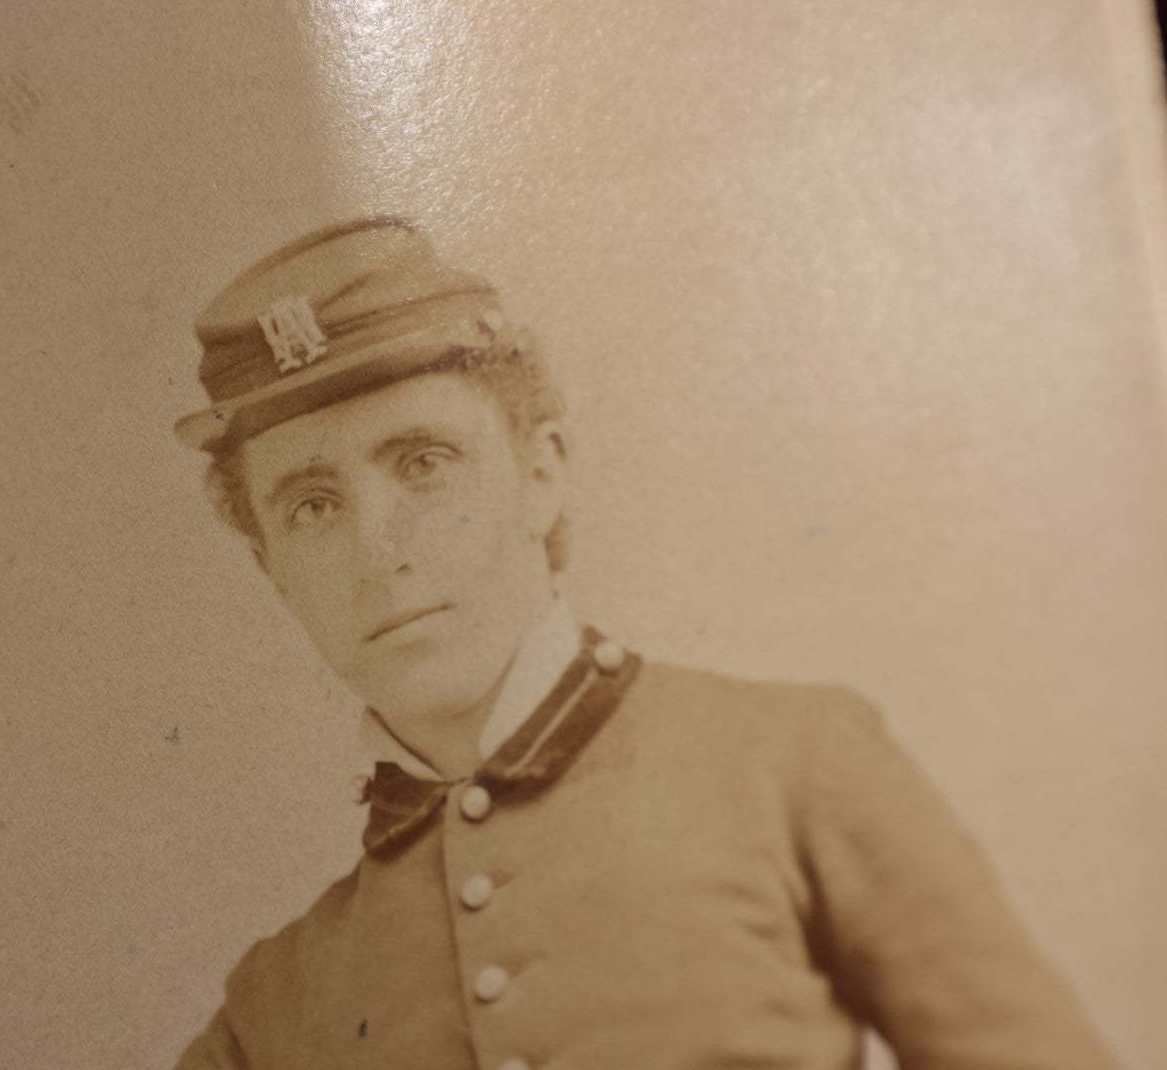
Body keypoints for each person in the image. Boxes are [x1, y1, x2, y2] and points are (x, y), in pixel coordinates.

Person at [168, 216, 1116, 1069]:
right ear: (273, 576)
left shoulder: (793, 767)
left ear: (542, 473)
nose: (377, 554)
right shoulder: (270, 1010)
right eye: (312, 506)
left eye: (423, 462)